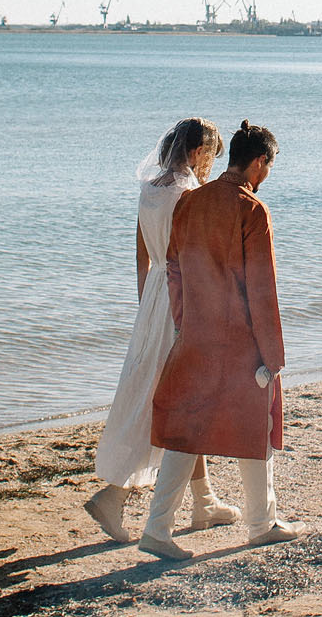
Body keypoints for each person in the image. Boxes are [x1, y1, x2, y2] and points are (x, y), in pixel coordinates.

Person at [136, 119, 299, 559]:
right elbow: (262, 290)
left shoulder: (190, 203)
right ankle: (261, 523)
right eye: (269, 166)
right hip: (239, 342)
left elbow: (172, 268)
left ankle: (157, 528)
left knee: (188, 431)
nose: (267, 176)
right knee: (256, 428)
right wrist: (273, 354)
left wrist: (185, 322)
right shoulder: (252, 211)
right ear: (259, 162)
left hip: (195, 335)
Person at [82, 118, 241, 542]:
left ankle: (204, 500)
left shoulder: (149, 189)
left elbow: (142, 258)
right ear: (195, 153)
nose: (210, 164)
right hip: (180, 299)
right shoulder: (190, 194)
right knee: (178, 402)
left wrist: (146, 309)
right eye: (210, 156)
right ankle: (113, 496)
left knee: (172, 398)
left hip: (154, 297)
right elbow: (195, 259)